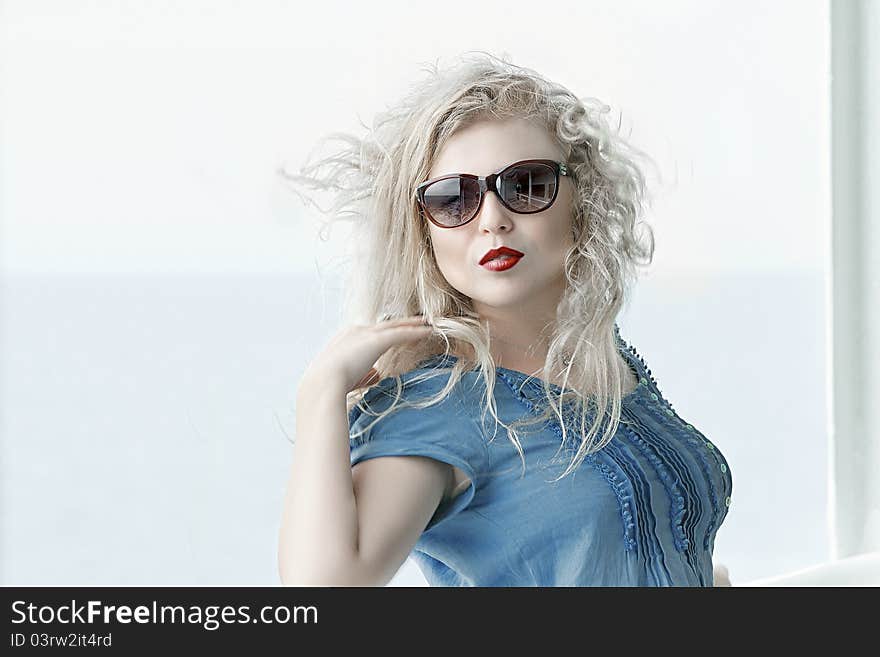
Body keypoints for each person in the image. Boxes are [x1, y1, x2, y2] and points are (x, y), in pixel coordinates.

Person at [277, 51, 733, 586]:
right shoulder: (437, 407)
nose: (493, 220)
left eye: (528, 186)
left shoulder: (610, 359)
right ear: (422, 229)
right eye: (453, 198)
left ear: (581, 198)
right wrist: (320, 395)